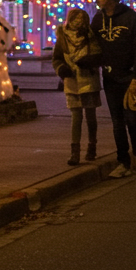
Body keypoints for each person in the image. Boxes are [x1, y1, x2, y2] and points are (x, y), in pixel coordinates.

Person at [92, 0, 136, 178]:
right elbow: (93, 45)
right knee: (117, 122)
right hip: (110, 77)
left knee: (131, 118)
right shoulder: (98, 20)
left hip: (129, 77)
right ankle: (123, 161)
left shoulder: (131, 18)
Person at [53, 8, 101, 166]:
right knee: (76, 118)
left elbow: (98, 54)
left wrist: (90, 61)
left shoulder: (90, 36)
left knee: (90, 116)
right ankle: (75, 152)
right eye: (75, 19)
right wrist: (61, 69)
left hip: (89, 80)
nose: (78, 22)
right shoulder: (62, 38)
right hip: (72, 82)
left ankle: (92, 146)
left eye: (81, 19)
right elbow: (57, 59)